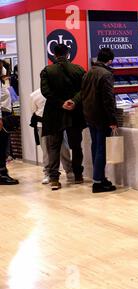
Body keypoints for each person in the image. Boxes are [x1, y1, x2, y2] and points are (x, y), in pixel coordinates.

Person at [40, 44, 86, 191]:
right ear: (68, 54)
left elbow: (45, 92)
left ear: (54, 55)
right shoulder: (79, 69)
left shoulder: (47, 71)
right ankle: (78, 175)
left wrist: (61, 103)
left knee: (54, 146)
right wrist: (74, 101)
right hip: (75, 111)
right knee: (76, 145)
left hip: (54, 112)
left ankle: (54, 179)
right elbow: (84, 89)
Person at [81, 48, 118, 193]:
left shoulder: (88, 72)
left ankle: (100, 177)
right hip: (102, 117)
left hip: (90, 115)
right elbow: (108, 99)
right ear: (109, 60)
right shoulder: (106, 74)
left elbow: (83, 94)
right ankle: (98, 181)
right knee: (101, 148)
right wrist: (113, 119)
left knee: (95, 146)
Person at [30, 88, 73, 184]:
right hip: (42, 125)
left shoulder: (58, 92)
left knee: (64, 149)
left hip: (58, 124)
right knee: (46, 151)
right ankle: (47, 173)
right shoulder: (34, 95)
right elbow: (33, 110)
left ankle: (69, 171)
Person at [0, 61, 19, 185]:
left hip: (5, 114)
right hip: (2, 116)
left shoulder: (3, 84)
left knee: (4, 145)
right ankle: (2, 174)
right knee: (2, 146)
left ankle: (3, 172)